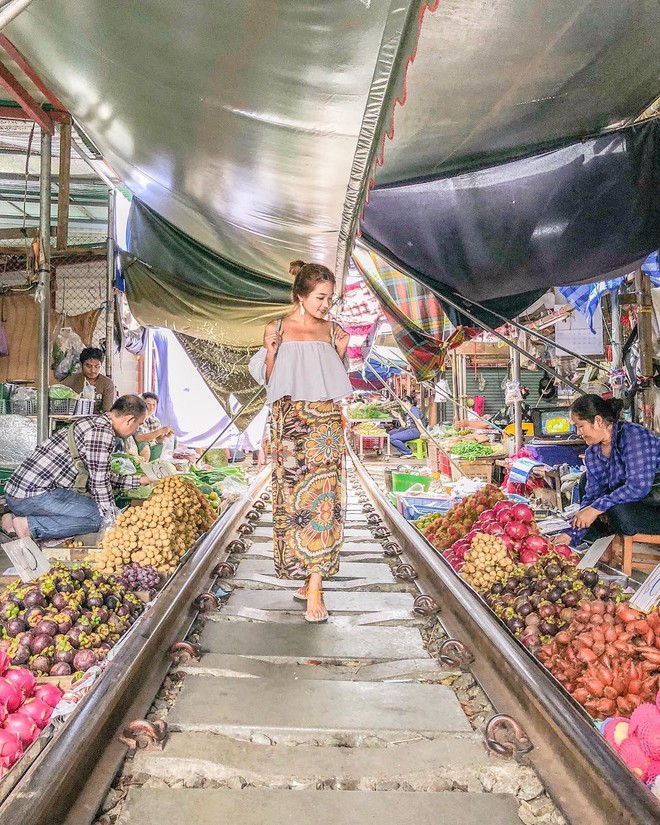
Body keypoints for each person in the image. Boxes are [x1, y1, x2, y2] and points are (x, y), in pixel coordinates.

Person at [249, 263, 351, 623]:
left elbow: (333, 380)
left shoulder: (333, 332)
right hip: (288, 426)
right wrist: (271, 350)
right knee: (292, 503)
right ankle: (304, 576)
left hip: (323, 428)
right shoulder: (276, 328)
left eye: (329, 298)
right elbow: (270, 380)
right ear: (301, 296)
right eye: (321, 297)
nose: (326, 304)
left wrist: (340, 352)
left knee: (323, 501)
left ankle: (317, 587)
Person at [1, 395, 149, 541]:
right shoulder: (101, 433)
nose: (137, 430)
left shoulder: (94, 422)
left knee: (95, 508)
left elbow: (99, 474)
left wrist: (140, 480)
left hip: (17, 494)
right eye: (139, 424)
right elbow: (100, 483)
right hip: (32, 496)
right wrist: (112, 521)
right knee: (98, 517)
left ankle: (12, 519)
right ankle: (30, 525)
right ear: (129, 420)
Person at [557, 395, 660, 546]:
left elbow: (638, 488)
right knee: (585, 480)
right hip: (636, 504)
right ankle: (595, 538)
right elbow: (592, 496)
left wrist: (596, 509)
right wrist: (572, 533)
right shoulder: (592, 453)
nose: (579, 432)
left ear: (598, 421)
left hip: (654, 505)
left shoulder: (634, 436)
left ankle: (603, 533)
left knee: (616, 512)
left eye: (580, 426)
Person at [62, 346, 116, 412]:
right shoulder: (71, 381)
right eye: (89, 366)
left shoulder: (107, 384)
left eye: (97, 367)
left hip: (97, 420)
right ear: (81, 365)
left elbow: (107, 411)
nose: (93, 370)